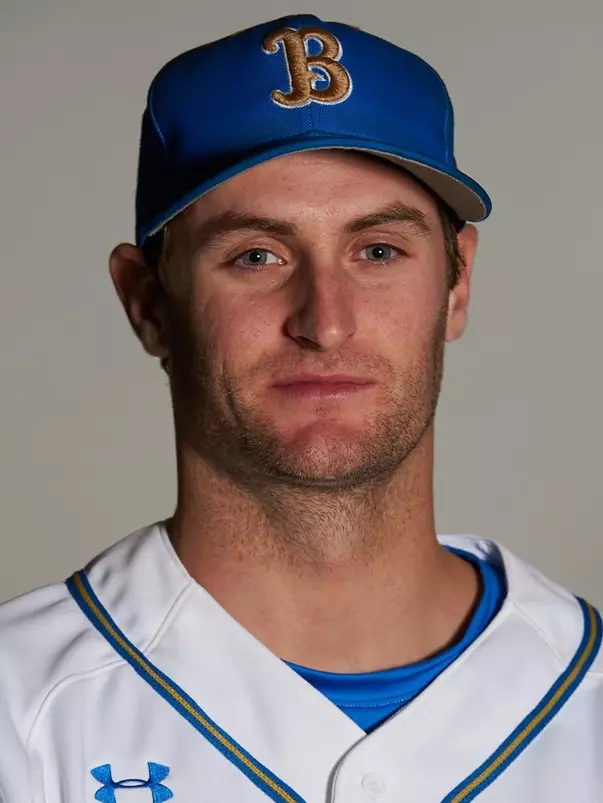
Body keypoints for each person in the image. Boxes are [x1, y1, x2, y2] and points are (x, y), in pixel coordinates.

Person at [0, 13, 601, 803]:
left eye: (377, 251)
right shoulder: (18, 710)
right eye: (257, 255)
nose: (325, 321)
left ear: (455, 284)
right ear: (147, 302)